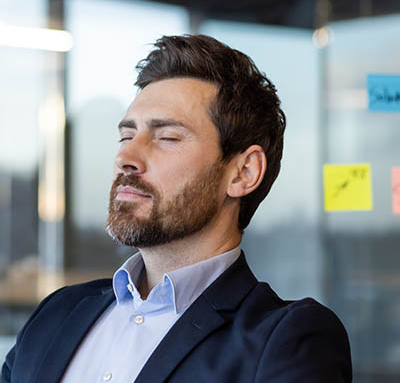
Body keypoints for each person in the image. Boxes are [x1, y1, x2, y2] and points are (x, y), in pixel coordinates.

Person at [2, 34, 352, 383]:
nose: (125, 157)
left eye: (166, 137)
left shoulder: (286, 339)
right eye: (126, 136)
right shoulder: (57, 313)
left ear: (243, 172)